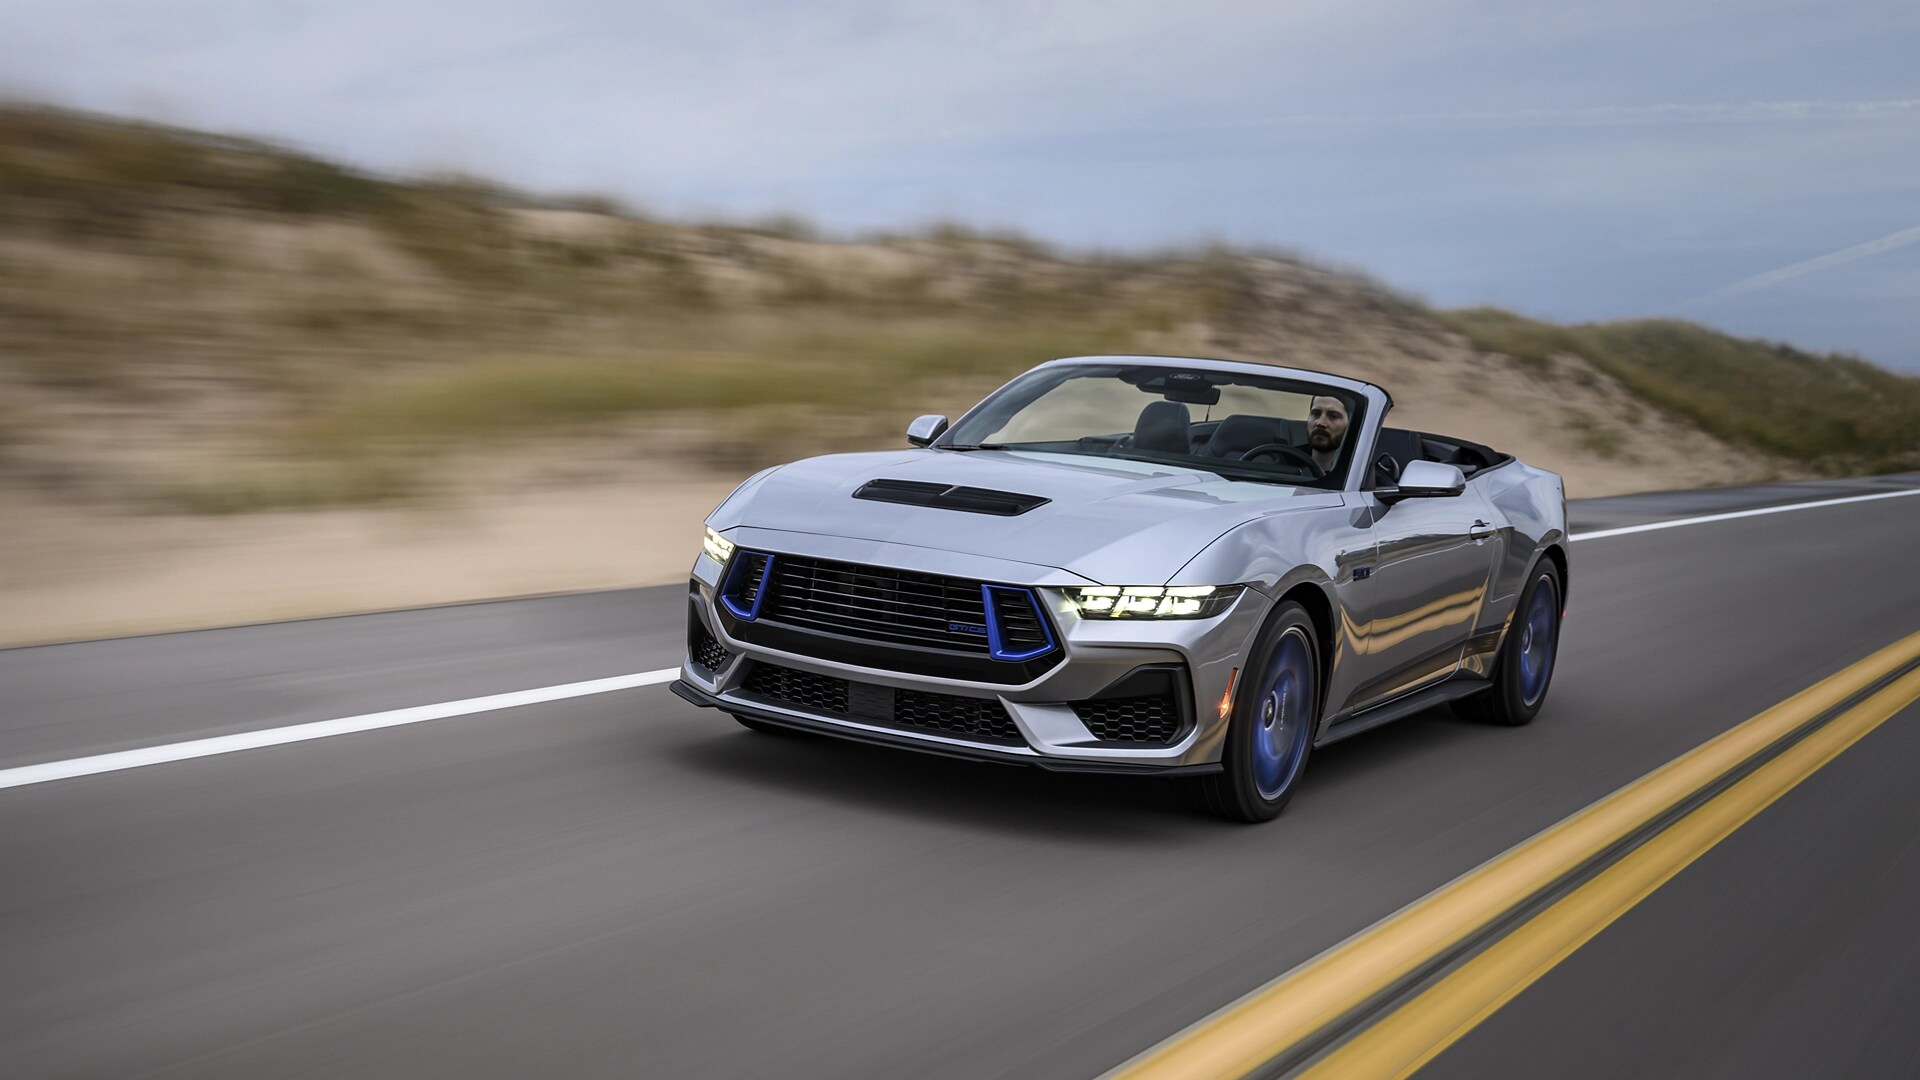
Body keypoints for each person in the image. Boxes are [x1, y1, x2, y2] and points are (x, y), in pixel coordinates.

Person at [1306, 395, 1350, 473]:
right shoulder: (1286, 461)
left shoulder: (1360, 471)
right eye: (1316, 414)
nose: (1320, 423)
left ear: (1350, 423)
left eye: (1333, 416)